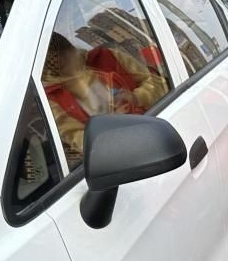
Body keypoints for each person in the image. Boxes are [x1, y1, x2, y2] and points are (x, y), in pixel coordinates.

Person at [41, 32, 169, 167]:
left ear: (71, 49)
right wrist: (111, 124)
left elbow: (159, 83)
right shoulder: (53, 100)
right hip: (126, 156)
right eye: (62, 68)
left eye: (68, 59)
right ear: (47, 71)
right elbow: (81, 141)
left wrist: (136, 97)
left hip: (157, 126)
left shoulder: (108, 57)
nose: (72, 71)